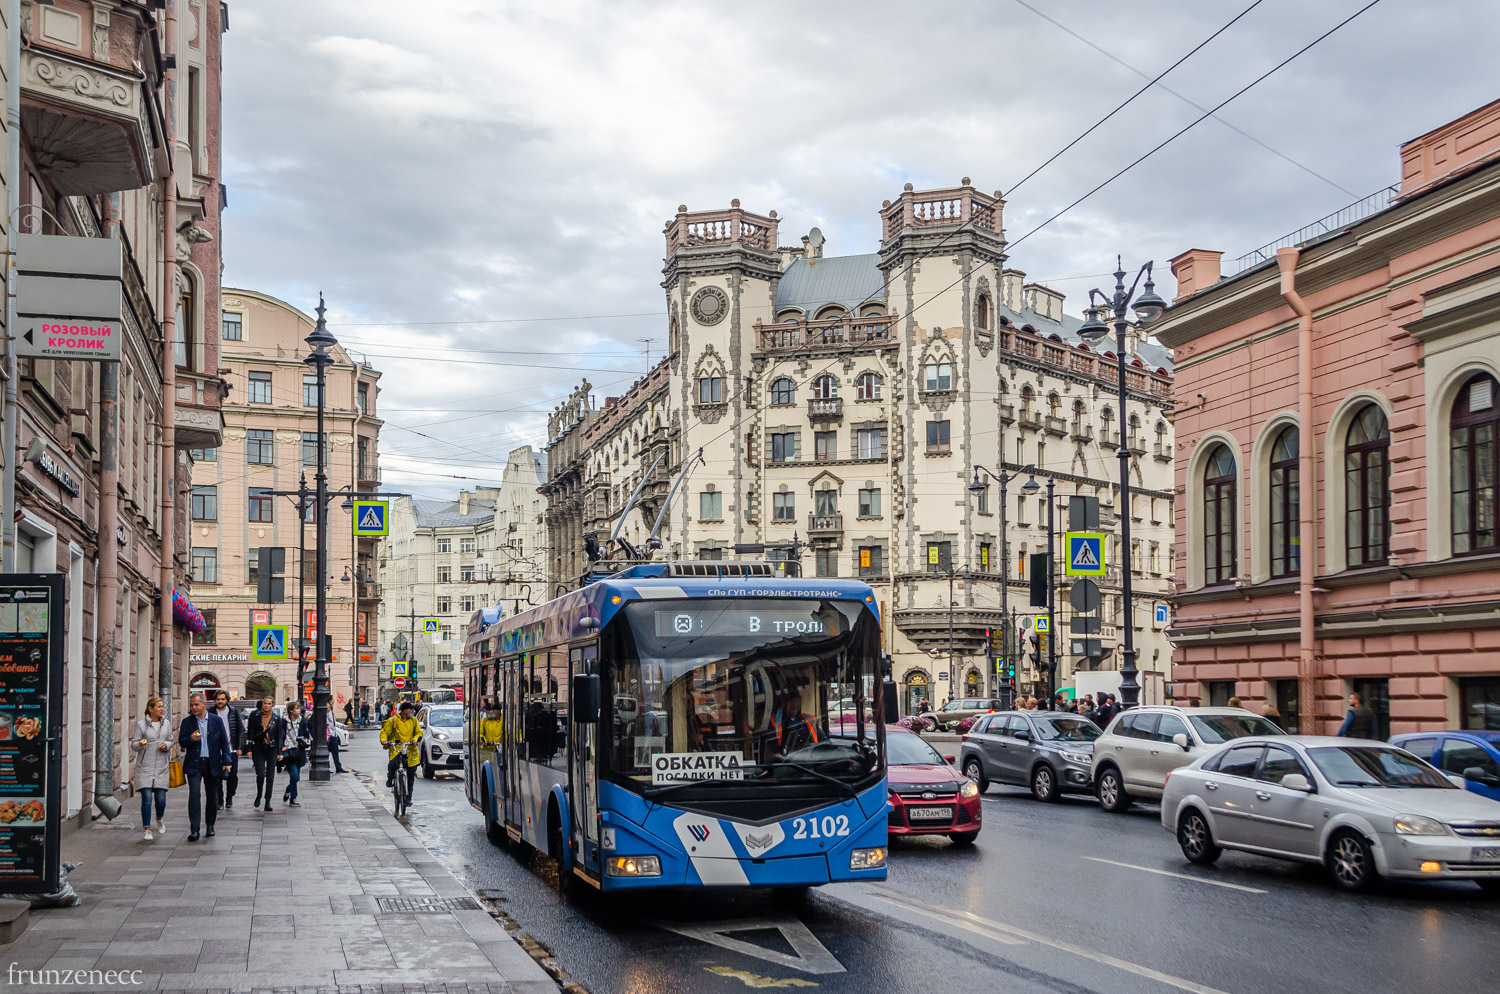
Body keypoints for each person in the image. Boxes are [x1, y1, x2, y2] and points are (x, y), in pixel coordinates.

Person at [177, 693, 232, 841]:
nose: (193, 708)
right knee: (194, 795)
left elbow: (224, 742)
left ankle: (210, 825)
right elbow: (182, 742)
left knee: (212, 795)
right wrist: (190, 739)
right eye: (192, 705)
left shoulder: (216, 720)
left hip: (212, 762)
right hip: (194, 763)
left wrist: (227, 762)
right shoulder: (187, 722)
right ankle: (194, 829)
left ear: (204, 704)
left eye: (196, 705)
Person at [131, 696, 173, 842]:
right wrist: (140, 744)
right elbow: (134, 744)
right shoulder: (141, 725)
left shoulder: (166, 723)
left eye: (162, 706)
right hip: (145, 767)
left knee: (161, 799)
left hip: (161, 766)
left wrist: (166, 745)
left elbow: (171, 739)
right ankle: (147, 828)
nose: (162, 709)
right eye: (159, 706)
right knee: (147, 798)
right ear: (151, 709)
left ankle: (159, 818)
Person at [245, 696, 284, 811]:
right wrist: (249, 749)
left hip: (271, 748)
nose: (266, 706)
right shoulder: (255, 716)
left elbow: (279, 736)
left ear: (273, 705)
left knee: (271, 776)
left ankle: (268, 801)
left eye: (269, 704)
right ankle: (259, 795)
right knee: (261, 774)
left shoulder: (276, 719)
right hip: (258, 747)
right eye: (265, 703)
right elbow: (250, 733)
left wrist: (280, 751)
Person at [381, 701, 423, 797]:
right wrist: (384, 740)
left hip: (410, 749)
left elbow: (418, 732)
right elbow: (385, 731)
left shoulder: (413, 720)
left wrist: (415, 739)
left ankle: (409, 797)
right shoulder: (393, 720)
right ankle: (390, 779)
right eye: (410, 709)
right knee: (392, 764)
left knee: (411, 774)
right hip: (397, 749)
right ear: (405, 711)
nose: (412, 711)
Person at [210, 691, 244, 809]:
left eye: (222, 699)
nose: (220, 701)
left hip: (231, 748)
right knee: (217, 776)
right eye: (218, 699)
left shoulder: (233, 712)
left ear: (227, 700)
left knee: (232, 775)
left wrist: (239, 747)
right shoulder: (211, 712)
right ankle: (220, 800)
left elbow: (241, 730)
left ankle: (229, 796)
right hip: (215, 750)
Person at [279, 700, 312, 807]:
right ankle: (293, 798)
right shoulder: (283, 721)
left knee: (295, 775)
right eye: (297, 708)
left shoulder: (302, 721)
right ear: (291, 710)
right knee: (295, 776)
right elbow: (279, 736)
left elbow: (306, 733)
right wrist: (281, 747)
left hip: (299, 750)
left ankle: (288, 790)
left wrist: (305, 740)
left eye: (299, 708)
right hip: (288, 751)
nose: (299, 710)